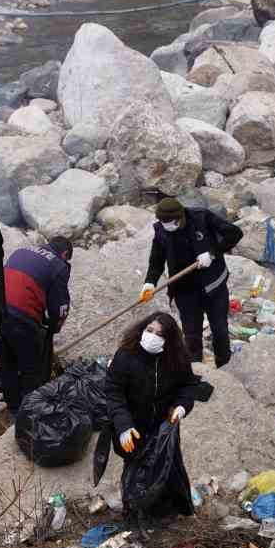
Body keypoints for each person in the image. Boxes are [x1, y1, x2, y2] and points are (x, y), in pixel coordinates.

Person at [106, 311, 206, 523]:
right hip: (132, 427)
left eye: (159, 334)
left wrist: (181, 406)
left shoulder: (176, 359)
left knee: (166, 467)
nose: (152, 336)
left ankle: (165, 512)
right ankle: (135, 513)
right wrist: (123, 426)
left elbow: (188, 385)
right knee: (135, 471)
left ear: (168, 340)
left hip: (163, 425)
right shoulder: (125, 356)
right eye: (149, 330)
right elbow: (113, 392)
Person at [139, 197, 242, 367]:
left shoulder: (201, 217)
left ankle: (225, 367)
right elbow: (156, 260)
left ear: (180, 218)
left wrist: (212, 253)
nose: (166, 226)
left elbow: (235, 233)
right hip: (184, 291)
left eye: (169, 222)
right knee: (191, 336)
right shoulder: (161, 231)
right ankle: (195, 372)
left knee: (220, 331)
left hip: (213, 286)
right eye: (163, 222)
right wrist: (149, 282)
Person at [0, 236, 74, 413]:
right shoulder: (59, 265)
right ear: (65, 254)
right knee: (33, 370)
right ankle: (28, 416)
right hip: (20, 319)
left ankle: (14, 410)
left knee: (7, 366)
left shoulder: (21, 251)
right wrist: (53, 328)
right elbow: (59, 307)